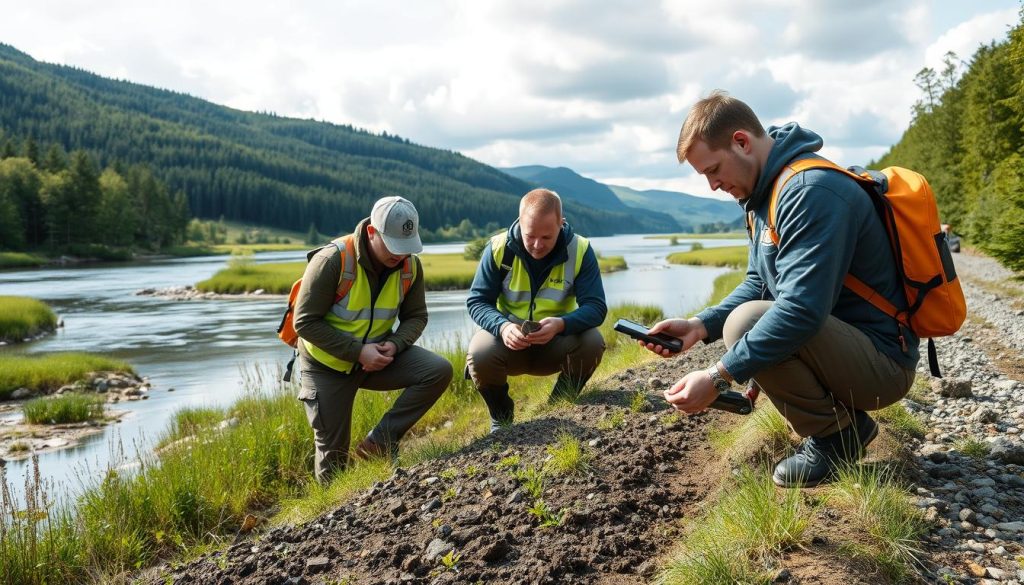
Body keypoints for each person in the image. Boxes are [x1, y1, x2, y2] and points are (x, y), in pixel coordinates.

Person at [643, 91, 919, 488]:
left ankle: (837, 437)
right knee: (741, 317)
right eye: (704, 175)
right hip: (848, 350)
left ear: (742, 141)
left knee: (745, 323)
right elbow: (759, 283)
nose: (713, 185)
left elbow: (802, 309)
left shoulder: (810, 191)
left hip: (882, 366)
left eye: (713, 169)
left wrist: (719, 377)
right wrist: (699, 326)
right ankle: (836, 426)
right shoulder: (765, 196)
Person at [293, 195, 453, 482]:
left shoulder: (410, 267)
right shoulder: (332, 260)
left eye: (406, 247)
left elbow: (417, 316)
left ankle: (380, 443)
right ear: (371, 233)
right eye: (393, 246)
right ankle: (331, 517)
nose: (400, 255)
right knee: (334, 459)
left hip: (380, 357)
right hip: (326, 366)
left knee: (437, 371)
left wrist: (395, 344)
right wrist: (358, 352)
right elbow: (304, 322)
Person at [466, 188, 607, 431]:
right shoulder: (498, 248)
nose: (537, 245)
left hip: (556, 342)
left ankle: (559, 406)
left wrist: (561, 324)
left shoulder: (580, 249)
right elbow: (477, 302)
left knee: (593, 341)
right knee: (479, 352)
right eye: (530, 235)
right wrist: (503, 327)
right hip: (509, 344)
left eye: (547, 237)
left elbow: (596, 307)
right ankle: (501, 418)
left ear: (561, 224)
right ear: (520, 222)